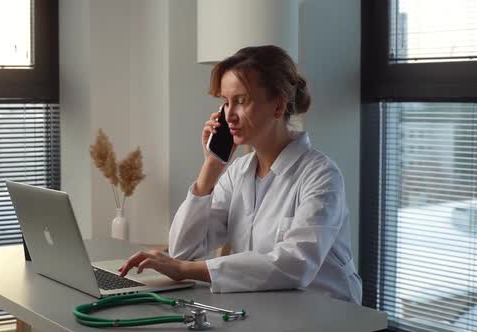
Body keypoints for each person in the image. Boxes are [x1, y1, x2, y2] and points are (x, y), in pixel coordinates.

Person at [118, 45, 362, 304]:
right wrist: (211, 168)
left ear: (278, 106)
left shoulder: (322, 175)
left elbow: (295, 265)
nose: (229, 115)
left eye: (241, 101)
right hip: (268, 309)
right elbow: (183, 250)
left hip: (328, 315)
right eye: (225, 102)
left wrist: (185, 271)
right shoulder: (238, 172)